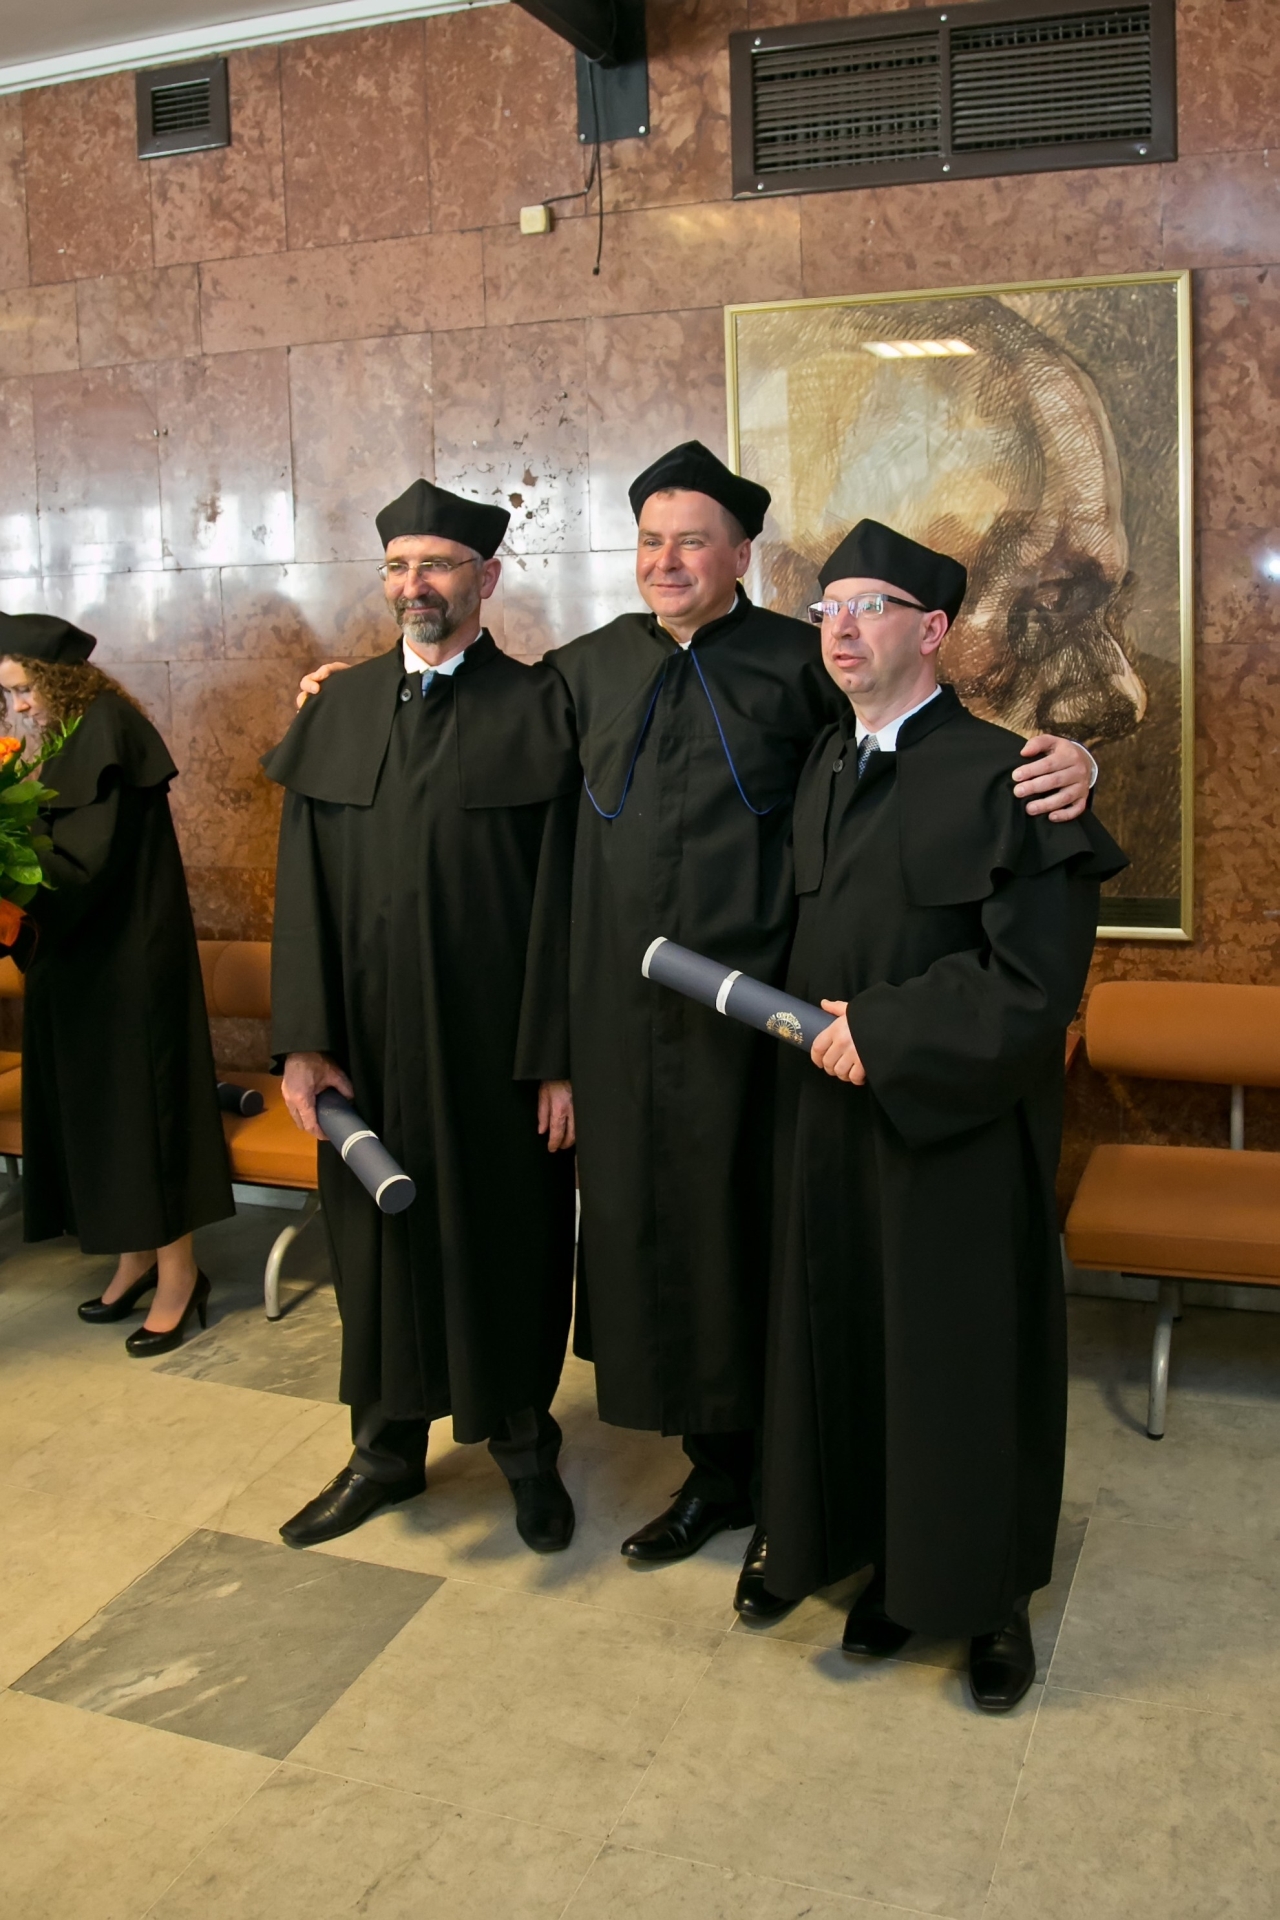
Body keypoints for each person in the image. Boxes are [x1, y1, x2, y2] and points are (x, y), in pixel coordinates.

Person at [294, 443, 1096, 1614]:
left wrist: (1068, 758)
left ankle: (770, 1482)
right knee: (652, 1252)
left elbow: (913, 736)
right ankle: (710, 1471)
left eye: (691, 542)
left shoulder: (801, 663)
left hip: (761, 1029)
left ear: (739, 557)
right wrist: (357, 691)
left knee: (750, 1256)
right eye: (649, 542)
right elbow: (471, 713)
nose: (665, 562)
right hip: (621, 1027)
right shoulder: (582, 673)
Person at [759, 520, 1125, 1707]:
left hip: (958, 1130)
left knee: (964, 1364)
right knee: (864, 1350)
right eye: (826, 608)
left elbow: (1034, 982)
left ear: (931, 631)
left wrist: (888, 1030)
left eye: (866, 607)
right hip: (835, 1125)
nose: (839, 628)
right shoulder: (824, 764)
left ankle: (989, 1598)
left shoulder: (1017, 773)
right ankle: (896, 1571)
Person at [267, 480, 580, 1555]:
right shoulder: (338, 706)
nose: (415, 585)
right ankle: (384, 1455)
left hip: (496, 1055)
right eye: (399, 566)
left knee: (508, 1246)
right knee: (375, 1253)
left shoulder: (541, 707)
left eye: (437, 564)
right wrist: (304, 1042)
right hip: (365, 1052)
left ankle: (525, 1452)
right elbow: (300, 885)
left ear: (485, 578)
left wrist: (557, 1058)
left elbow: (565, 901)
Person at [0, 611, 233, 1354]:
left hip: (126, 969)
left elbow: (84, 868)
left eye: (24, 689)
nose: (19, 706)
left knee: (144, 1121)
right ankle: (135, 1260)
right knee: (104, 1120)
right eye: (10, 695)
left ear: (57, 677)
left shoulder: (104, 730)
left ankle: (180, 1275)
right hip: (85, 966)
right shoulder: (76, 731)